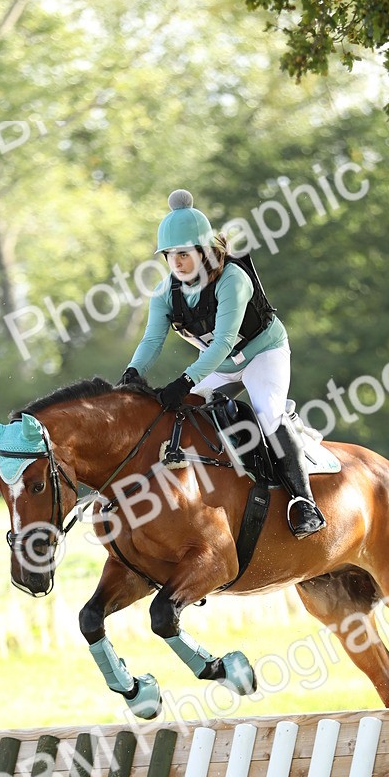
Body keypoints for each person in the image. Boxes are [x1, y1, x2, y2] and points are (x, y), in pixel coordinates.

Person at [120, 189, 326, 538]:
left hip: (264, 352)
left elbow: (224, 342)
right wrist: (132, 373)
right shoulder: (165, 292)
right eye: (170, 256)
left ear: (204, 251)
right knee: (178, 416)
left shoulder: (233, 279)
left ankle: (304, 503)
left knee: (266, 414)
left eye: (183, 254)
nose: (177, 263)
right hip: (222, 364)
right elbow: (152, 341)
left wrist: (184, 381)